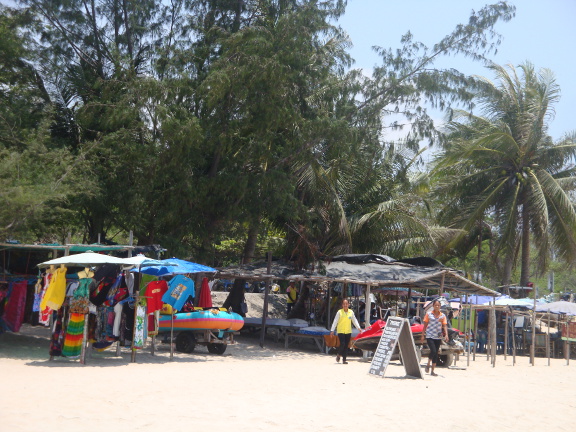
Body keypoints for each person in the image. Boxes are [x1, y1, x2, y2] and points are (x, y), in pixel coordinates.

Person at [420, 298, 449, 376]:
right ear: (433, 306)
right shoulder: (428, 314)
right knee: (433, 350)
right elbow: (425, 325)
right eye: (435, 305)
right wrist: (422, 335)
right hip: (430, 335)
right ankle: (428, 364)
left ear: (440, 306)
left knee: (436, 353)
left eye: (438, 305)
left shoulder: (442, 316)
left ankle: (432, 371)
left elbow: (444, 325)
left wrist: (446, 334)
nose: (437, 306)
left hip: (438, 336)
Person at [330, 299, 362, 364]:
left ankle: (344, 359)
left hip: (348, 331)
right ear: (342, 305)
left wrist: (359, 328)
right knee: (342, 343)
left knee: (346, 345)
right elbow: (335, 321)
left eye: (346, 304)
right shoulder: (339, 312)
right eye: (344, 304)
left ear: (348, 304)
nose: (345, 305)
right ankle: (339, 354)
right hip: (341, 331)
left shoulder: (351, 312)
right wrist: (332, 330)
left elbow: (354, 320)